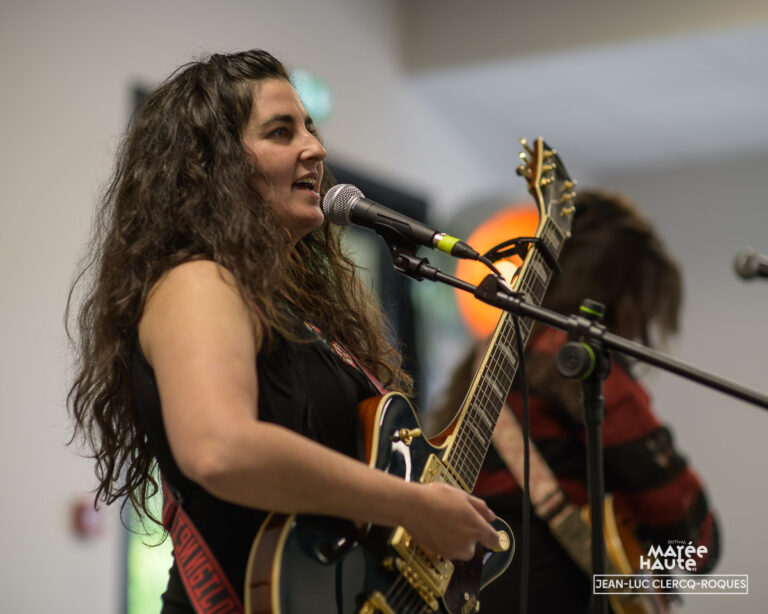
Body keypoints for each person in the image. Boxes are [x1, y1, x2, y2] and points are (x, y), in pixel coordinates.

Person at [67, 49, 500, 613]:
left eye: (310, 128)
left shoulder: (291, 309)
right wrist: (412, 507)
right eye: (280, 131)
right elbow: (220, 449)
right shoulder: (198, 279)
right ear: (209, 165)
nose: (316, 148)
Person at [428, 190, 720, 613]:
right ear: (623, 294)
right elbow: (696, 542)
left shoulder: (490, 357)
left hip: (470, 592)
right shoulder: (576, 356)